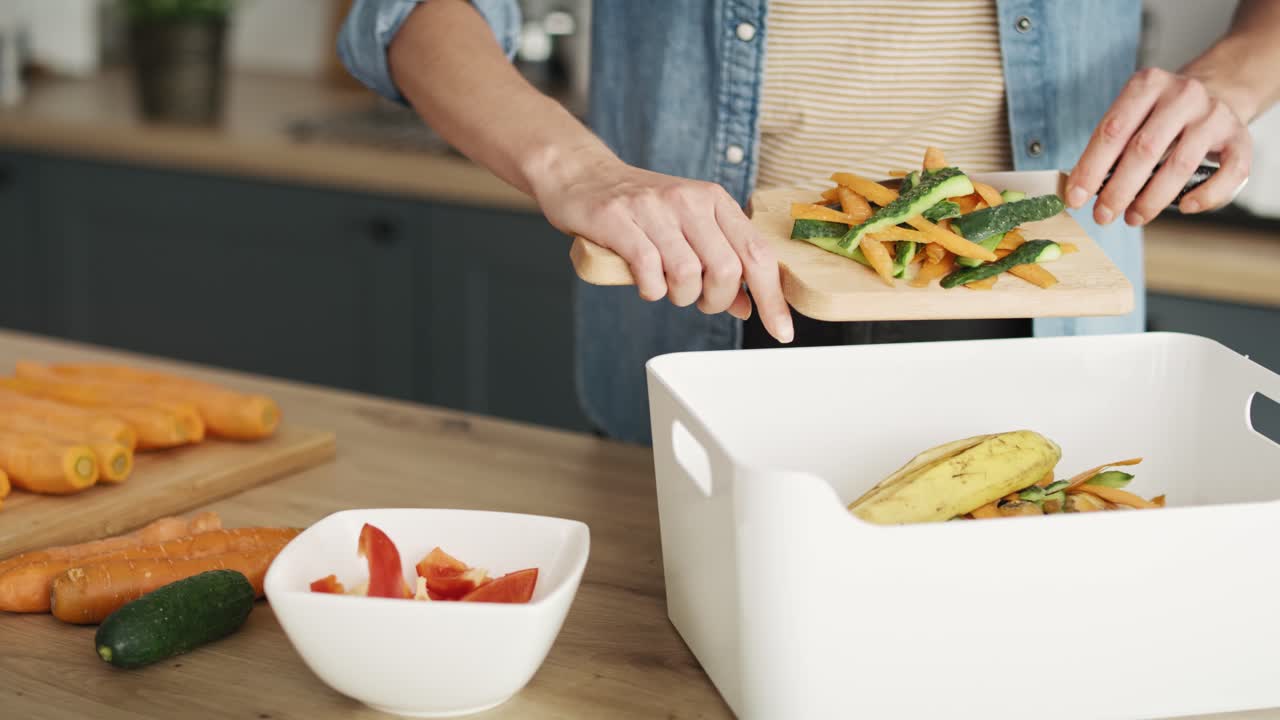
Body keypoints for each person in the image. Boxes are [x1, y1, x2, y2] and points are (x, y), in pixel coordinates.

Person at [338, 0, 1278, 444]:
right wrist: (578, 169)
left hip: (1046, 318)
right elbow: (405, 13)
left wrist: (1233, 77)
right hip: (707, 303)